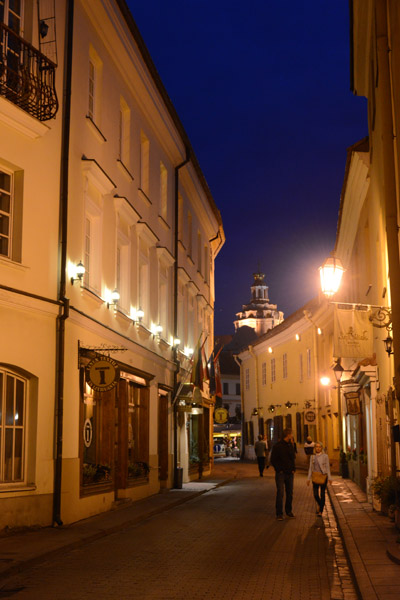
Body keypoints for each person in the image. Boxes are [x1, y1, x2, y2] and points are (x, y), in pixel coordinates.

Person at [270, 428, 296, 520]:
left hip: (290, 473)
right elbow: (273, 460)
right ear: (288, 435)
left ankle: (288, 511)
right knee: (280, 493)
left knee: (290, 493)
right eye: (291, 434)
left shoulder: (290, 445)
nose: (292, 436)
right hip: (281, 473)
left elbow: (293, 457)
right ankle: (279, 513)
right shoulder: (277, 446)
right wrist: (279, 469)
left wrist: (293, 469)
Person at [307, 441, 332, 516]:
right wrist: (308, 478)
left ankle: (320, 511)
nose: (318, 448)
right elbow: (310, 468)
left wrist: (330, 478)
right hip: (315, 476)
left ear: (321, 448)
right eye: (316, 447)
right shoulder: (312, 457)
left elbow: (327, 467)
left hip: (323, 476)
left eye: (319, 447)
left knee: (322, 493)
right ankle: (320, 504)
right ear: (315, 448)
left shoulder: (325, 456)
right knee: (315, 494)